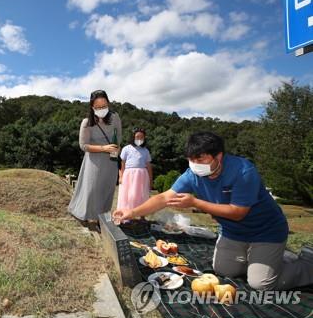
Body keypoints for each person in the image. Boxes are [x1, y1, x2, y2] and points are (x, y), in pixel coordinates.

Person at [113, 131, 313, 290]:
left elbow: (238, 212)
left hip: (266, 231)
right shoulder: (192, 174)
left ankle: (306, 264)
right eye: (192, 159)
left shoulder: (243, 171)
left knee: (261, 284)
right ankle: (266, 259)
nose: (195, 165)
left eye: (201, 159)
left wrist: (196, 203)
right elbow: (164, 197)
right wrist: (131, 212)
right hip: (233, 232)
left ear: (218, 156)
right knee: (224, 270)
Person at [68, 90, 122, 224]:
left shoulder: (115, 117)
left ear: (108, 104)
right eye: (97, 107)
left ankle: (102, 219)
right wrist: (103, 148)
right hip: (94, 160)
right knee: (91, 190)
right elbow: (83, 145)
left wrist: (117, 148)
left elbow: (119, 137)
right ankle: (83, 215)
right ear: (92, 107)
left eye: (104, 106)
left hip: (111, 161)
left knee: (106, 190)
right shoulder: (87, 122)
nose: (101, 109)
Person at [117, 127, 153, 214]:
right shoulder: (126, 149)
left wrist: (151, 180)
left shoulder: (146, 151)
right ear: (133, 137)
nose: (139, 139)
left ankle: (141, 215)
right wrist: (121, 176)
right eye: (137, 137)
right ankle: (125, 214)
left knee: (142, 195)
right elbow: (122, 164)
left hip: (142, 176)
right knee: (128, 195)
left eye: (142, 137)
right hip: (129, 175)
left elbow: (149, 166)